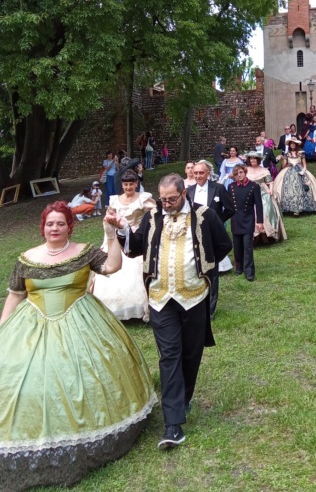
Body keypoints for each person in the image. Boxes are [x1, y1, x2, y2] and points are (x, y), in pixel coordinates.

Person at [0, 201, 157, 490]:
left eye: (60, 223)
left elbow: (112, 266)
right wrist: (3, 328)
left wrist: (110, 234)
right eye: (50, 223)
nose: (55, 228)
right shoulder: (26, 259)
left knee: (78, 377)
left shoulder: (84, 252)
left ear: (69, 226)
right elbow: (15, 295)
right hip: (32, 324)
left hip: (81, 321)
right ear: (43, 227)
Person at [106, 174, 232, 450]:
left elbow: (224, 244)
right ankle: (173, 424)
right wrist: (122, 228)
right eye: (163, 199)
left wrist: (203, 268)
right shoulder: (152, 218)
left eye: (172, 199)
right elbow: (134, 248)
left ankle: (183, 397)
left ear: (183, 194)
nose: (167, 204)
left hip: (194, 297)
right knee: (169, 355)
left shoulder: (204, 215)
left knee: (191, 353)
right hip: (160, 298)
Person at [92, 169, 156, 320]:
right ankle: (112, 308)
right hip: (117, 237)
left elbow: (156, 213)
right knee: (113, 272)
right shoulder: (115, 200)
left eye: (131, 184)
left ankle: (140, 307)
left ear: (136, 184)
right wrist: (108, 239)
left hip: (135, 238)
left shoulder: (143, 199)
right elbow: (108, 219)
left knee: (136, 271)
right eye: (126, 184)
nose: (128, 187)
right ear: (122, 185)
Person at [186, 160, 235, 318]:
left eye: (201, 173)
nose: (198, 176)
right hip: (193, 235)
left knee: (212, 270)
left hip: (211, 236)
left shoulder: (218, 188)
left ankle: (210, 309)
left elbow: (230, 209)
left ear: (208, 173)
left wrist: (217, 222)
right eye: (196, 173)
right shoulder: (189, 191)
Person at [229, 164, 264, 281]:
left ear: (245, 172)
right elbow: (229, 205)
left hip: (248, 220)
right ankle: (239, 268)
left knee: (247, 247)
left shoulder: (254, 186)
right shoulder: (231, 187)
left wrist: (260, 221)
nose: (239, 175)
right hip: (235, 220)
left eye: (240, 172)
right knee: (237, 246)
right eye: (236, 174)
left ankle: (249, 272)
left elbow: (258, 205)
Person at [273, 138, 316, 215]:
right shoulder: (287, 153)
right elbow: (283, 166)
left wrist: (303, 171)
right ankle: (291, 207)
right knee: (289, 187)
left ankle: (303, 206)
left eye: (294, 143)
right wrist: (283, 159)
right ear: (289, 145)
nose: (292, 145)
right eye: (291, 143)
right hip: (288, 171)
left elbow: (304, 164)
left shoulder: (301, 153)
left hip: (300, 170)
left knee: (304, 186)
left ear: (296, 145)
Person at [245, 151, 287, 243]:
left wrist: (270, 190)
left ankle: (266, 234)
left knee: (265, 210)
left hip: (262, 192)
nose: (253, 160)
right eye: (251, 159)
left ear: (258, 160)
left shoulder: (264, 170)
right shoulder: (246, 170)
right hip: (249, 192)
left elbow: (270, 182)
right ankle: (254, 235)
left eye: (255, 159)